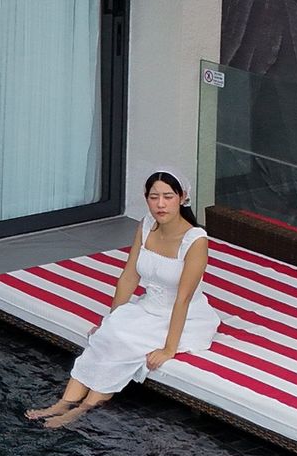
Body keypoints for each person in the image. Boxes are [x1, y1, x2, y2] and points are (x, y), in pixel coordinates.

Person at [26, 170, 219, 430]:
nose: (160, 204)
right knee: (109, 332)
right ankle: (63, 402)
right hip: (149, 306)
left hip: (183, 316)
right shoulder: (147, 225)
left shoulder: (195, 240)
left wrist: (169, 349)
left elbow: (183, 299)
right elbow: (129, 276)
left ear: (182, 198)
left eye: (168, 197)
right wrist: (112, 317)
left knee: (124, 342)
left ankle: (83, 408)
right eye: (154, 197)